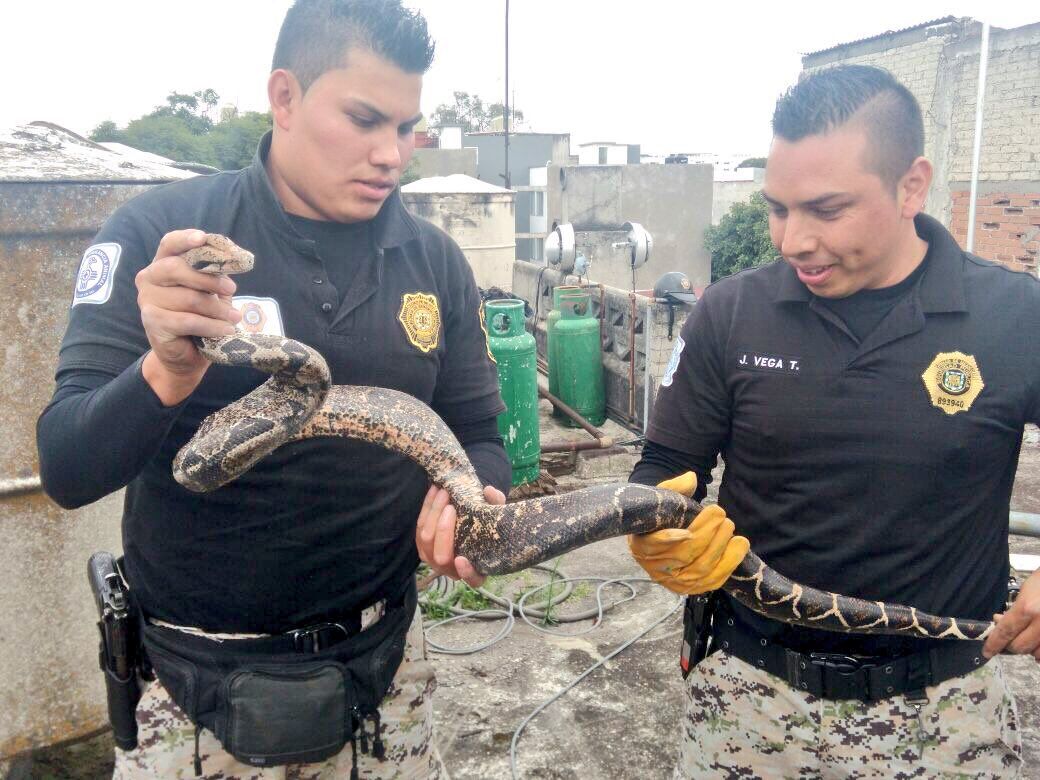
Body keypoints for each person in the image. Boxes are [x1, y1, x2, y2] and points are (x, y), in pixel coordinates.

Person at [36, 1, 511, 777]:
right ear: (284, 97)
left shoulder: (433, 261)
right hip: (192, 686)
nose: (392, 154)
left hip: (386, 674)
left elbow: (480, 433)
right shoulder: (164, 237)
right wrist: (165, 370)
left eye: (406, 127)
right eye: (364, 119)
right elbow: (66, 467)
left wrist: (470, 493)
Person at [628, 64, 1040, 778]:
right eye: (778, 208)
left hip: (946, 710)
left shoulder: (1013, 317)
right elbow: (661, 470)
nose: (791, 241)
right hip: (749, 700)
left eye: (826, 210)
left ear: (912, 185)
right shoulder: (731, 312)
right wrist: (655, 530)